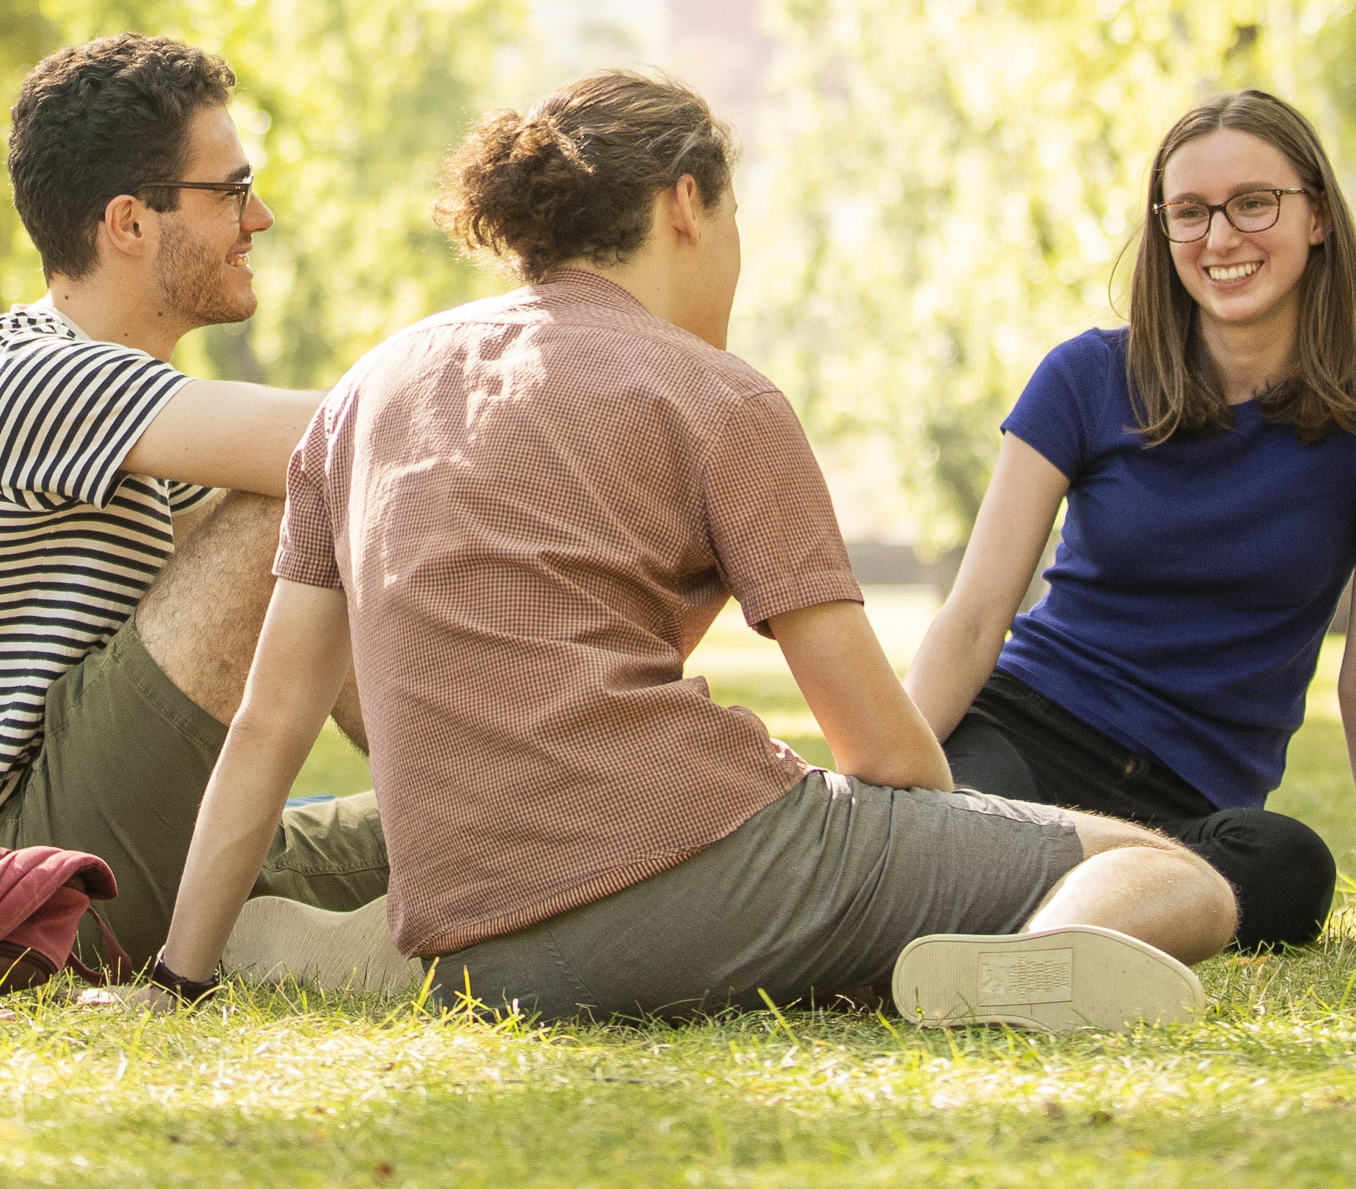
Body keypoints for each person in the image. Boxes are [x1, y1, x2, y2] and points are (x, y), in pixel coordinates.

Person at [123, 71, 1224, 1030]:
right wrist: (939, 848)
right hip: (677, 860)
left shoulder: (368, 388)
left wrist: (176, 976)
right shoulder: (719, 396)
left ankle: (372, 945)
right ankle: (1022, 966)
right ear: (684, 203)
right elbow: (882, 752)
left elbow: (271, 723)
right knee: (1169, 872)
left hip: (467, 929)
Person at [0, 34, 387, 976]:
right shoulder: (22, 373)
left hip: (113, 840)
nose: (258, 217)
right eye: (230, 189)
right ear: (129, 223)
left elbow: (300, 586)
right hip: (4, 884)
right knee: (299, 490)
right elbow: (348, 443)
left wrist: (453, 780)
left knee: (466, 831)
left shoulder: (136, 413)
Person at [898, 89, 1356, 948]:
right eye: (1189, 212)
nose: (1221, 237)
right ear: (1164, 232)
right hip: (1025, 737)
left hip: (1191, 808)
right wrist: (863, 792)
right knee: (973, 821)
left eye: (1254, 203)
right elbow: (974, 621)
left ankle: (1031, 932)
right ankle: (1050, 925)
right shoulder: (1083, 378)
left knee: (1289, 869)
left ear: (1316, 218)